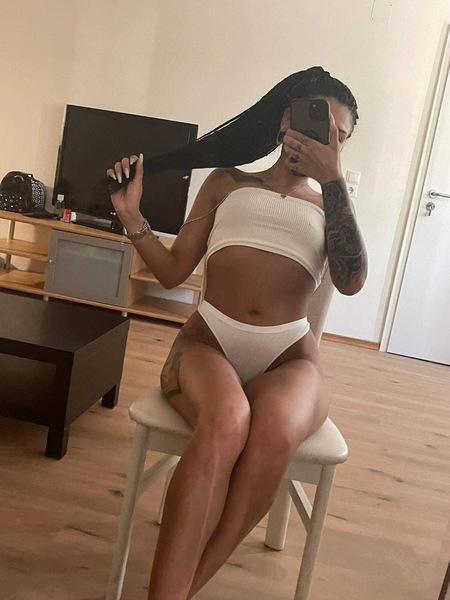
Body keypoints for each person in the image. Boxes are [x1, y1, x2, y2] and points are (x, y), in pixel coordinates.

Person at [107, 66, 367, 600]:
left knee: (272, 430)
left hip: (290, 358)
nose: (327, 143)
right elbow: (173, 272)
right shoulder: (226, 182)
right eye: (319, 126)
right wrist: (132, 217)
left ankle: (175, 592)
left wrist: (334, 181)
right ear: (287, 120)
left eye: (339, 138)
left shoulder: (332, 206)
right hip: (209, 344)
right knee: (227, 422)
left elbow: (351, 281)